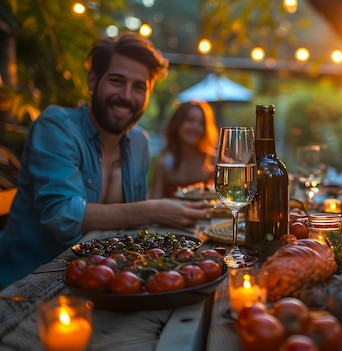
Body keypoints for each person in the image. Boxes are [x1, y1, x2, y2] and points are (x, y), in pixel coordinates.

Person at [0, 32, 210, 288]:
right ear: (92, 80)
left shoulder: (139, 143)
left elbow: (129, 236)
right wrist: (153, 209)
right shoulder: (56, 127)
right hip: (29, 284)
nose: (126, 95)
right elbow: (62, 217)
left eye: (139, 86)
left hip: (105, 281)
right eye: (116, 81)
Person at [150, 100, 217, 198]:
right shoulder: (162, 166)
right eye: (190, 120)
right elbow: (154, 206)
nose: (195, 127)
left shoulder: (215, 162)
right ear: (177, 123)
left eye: (201, 123)